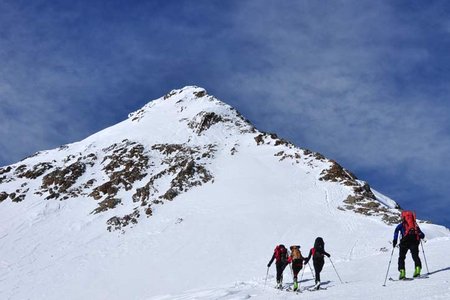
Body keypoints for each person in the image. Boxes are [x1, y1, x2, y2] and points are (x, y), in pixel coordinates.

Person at [393, 210, 425, 279]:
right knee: (415, 256)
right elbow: (422, 235)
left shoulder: (401, 225)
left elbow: (396, 232)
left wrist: (395, 241)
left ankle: (402, 272)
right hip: (414, 241)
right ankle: (417, 269)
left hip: (404, 242)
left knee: (401, 257)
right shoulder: (415, 226)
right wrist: (419, 235)